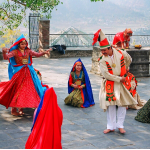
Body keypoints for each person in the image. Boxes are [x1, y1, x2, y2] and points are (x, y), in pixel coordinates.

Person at [92, 29, 137, 134]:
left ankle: (120, 125)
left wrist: (126, 68)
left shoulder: (120, 53)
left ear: (110, 48)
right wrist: (119, 79)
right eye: (101, 51)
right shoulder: (102, 60)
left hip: (122, 82)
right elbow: (106, 74)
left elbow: (129, 59)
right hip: (111, 83)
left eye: (104, 50)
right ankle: (111, 126)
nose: (103, 52)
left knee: (123, 104)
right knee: (111, 105)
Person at [0, 34, 51, 116]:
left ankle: (21, 108)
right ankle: (13, 109)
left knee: (26, 90)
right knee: (17, 89)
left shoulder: (28, 51)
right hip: (19, 73)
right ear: (18, 44)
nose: (24, 46)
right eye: (22, 44)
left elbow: (36, 54)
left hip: (28, 73)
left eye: (25, 44)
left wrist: (44, 52)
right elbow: (6, 58)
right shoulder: (14, 52)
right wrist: (3, 52)